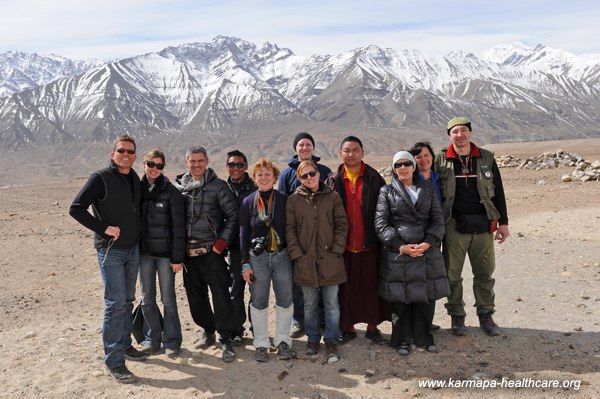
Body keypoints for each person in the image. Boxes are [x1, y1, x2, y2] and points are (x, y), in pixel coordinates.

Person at [69, 135, 147, 383]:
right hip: (111, 250)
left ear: (135, 155)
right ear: (113, 153)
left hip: (132, 249)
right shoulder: (100, 178)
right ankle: (114, 362)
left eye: (130, 151)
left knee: (127, 299)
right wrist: (103, 228)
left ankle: (124, 345)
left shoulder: (133, 177)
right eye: (121, 150)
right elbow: (76, 208)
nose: (126, 154)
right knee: (115, 304)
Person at [435, 117, 510, 337]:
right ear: (450, 135)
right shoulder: (441, 159)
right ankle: (457, 316)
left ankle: (486, 315)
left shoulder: (486, 158)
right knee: (452, 275)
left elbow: (499, 192)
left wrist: (503, 223)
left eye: (464, 131)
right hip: (453, 226)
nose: (460, 135)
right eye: (455, 132)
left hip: (484, 225)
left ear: (471, 133)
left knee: (485, 273)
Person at [375, 151, 450, 355]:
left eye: (407, 163)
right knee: (401, 299)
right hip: (400, 253)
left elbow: (438, 218)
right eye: (398, 165)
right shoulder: (386, 191)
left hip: (426, 251)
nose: (403, 168)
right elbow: (381, 224)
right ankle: (402, 340)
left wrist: (428, 242)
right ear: (394, 168)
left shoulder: (426, 188)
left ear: (413, 166)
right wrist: (401, 246)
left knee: (426, 297)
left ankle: (424, 338)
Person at [175, 145, 239, 362]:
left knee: (220, 295)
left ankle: (226, 338)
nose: (196, 164)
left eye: (200, 160)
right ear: (187, 163)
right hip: (188, 253)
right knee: (196, 296)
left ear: (207, 161)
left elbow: (233, 216)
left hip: (211, 250)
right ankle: (208, 330)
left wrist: (222, 242)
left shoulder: (219, 187)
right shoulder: (181, 187)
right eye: (192, 161)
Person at [326, 136, 390, 345]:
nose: (351, 154)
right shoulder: (333, 180)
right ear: (340, 153)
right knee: (346, 290)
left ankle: (373, 327)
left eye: (355, 150)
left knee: (371, 288)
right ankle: (348, 328)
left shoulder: (373, 178)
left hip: (369, 243)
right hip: (343, 246)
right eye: (347, 150)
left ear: (362, 152)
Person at [286, 161, 348, 360]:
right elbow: (290, 230)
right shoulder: (294, 200)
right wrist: (297, 255)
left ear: (318, 174)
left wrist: (337, 250)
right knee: (310, 304)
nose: (309, 178)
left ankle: (331, 340)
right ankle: (313, 339)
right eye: (304, 176)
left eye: (312, 173)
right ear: (299, 178)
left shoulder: (333, 197)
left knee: (331, 303)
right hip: (305, 261)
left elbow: (342, 225)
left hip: (331, 259)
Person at [279, 132, 332, 338]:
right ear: (295, 149)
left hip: (321, 235)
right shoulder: (286, 174)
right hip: (298, 236)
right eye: (300, 144)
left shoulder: (325, 171)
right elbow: (283, 205)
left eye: (308, 144)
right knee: (298, 279)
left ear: (313, 147)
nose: (304, 148)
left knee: (322, 277)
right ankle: (298, 319)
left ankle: (321, 318)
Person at [239, 159, 293, 362]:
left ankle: (283, 342)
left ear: (275, 177)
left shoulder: (284, 200)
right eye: (259, 174)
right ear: (254, 178)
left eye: (267, 174)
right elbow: (243, 233)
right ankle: (261, 343)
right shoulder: (248, 201)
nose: (264, 177)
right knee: (259, 301)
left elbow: (291, 229)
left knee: (285, 300)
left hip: (282, 256)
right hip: (257, 259)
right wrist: (245, 262)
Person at [138, 149, 185, 358]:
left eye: (159, 166)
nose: (154, 169)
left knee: (168, 299)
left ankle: (172, 341)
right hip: (144, 254)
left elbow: (178, 227)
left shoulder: (171, 192)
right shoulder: (136, 190)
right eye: (151, 164)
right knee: (147, 298)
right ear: (144, 164)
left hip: (166, 256)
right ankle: (151, 339)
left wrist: (177, 258)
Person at [409, 141, 443, 334]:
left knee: (432, 280)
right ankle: (414, 323)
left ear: (432, 156)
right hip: (416, 239)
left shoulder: (439, 178)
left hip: (435, 237)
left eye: (426, 155)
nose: (423, 159)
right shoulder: (409, 180)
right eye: (418, 156)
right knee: (415, 280)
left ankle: (426, 321)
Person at [224, 149, 256, 345]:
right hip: (234, 247)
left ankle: (257, 329)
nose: (235, 168)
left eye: (239, 165)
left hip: (254, 247)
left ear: (246, 166)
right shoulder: (221, 188)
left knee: (256, 290)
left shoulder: (255, 187)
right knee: (235, 290)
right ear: (227, 167)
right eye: (231, 165)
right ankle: (237, 330)